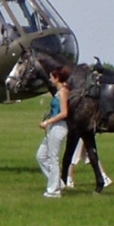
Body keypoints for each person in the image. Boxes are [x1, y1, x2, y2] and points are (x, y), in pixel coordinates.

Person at [36, 66, 70, 198]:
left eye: (51, 77)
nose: (50, 80)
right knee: (41, 156)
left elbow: (64, 113)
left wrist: (47, 122)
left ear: (56, 78)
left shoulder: (63, 92)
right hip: (54, 127)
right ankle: (58, 183)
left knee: (53, 158)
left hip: (59, 127)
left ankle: (54, 191)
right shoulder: (60, 91)